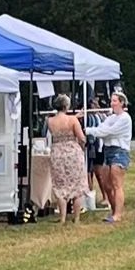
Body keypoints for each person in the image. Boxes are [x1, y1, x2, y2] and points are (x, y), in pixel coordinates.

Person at [45, 94, 92, 222]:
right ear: (66, 106)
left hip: (57, 152)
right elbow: (81, 137)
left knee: (60, 185)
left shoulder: (50, 121)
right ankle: (76, 218)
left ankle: (62, 218)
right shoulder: (72, 120)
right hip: (73, 152)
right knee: (77, 185)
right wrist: (82, 144)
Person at [90, 91, 134, 224]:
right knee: (106, 185)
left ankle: (118, 215)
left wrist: (88, 131)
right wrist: (97, 131)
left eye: (115, 101)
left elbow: (108, 131)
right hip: (107, 150)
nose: (112, 103)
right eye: (112, 101)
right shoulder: (110, 118)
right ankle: (114, 211)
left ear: (122, 103)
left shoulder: (125, 118)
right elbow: (102, 129)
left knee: (116, 184)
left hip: (119, 151)